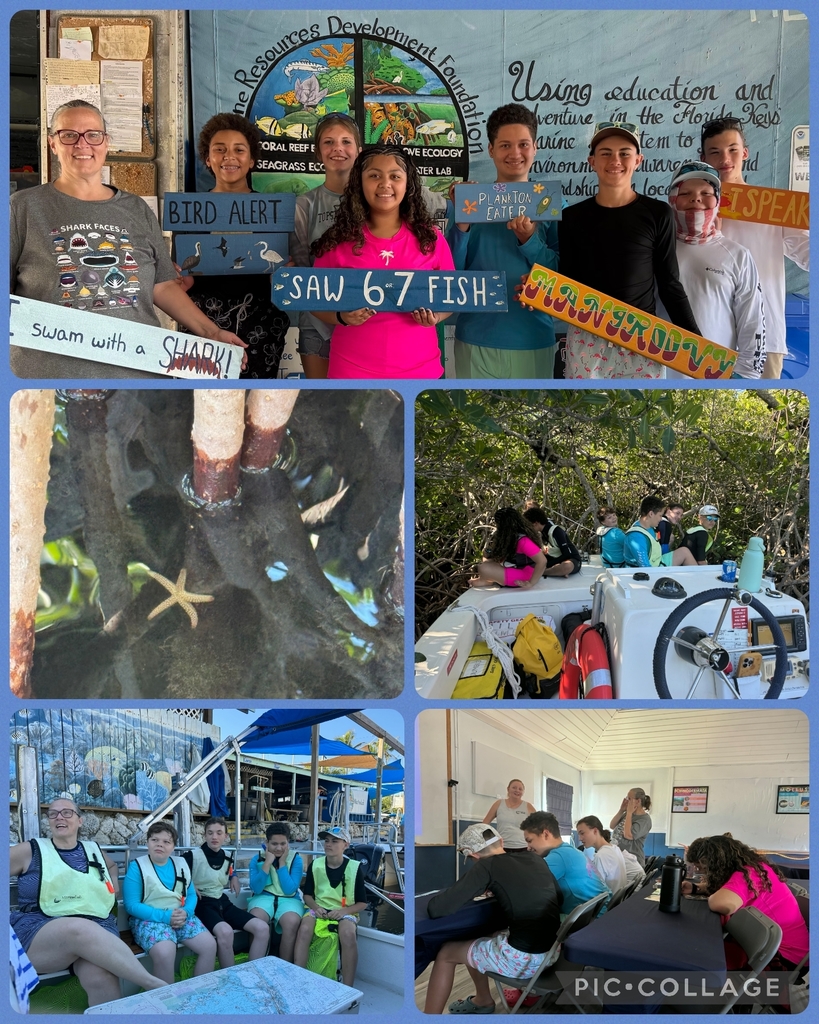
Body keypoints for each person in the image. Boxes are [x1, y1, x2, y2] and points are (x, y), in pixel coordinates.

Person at [10, 99, 246, 379]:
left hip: (138, 376)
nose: (82, 144)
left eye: (93, 135)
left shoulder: (136, 209)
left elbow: (163, 286)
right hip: (51, 379)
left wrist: (212, 332)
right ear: (52, 143)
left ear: (106, 142)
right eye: (68, 135)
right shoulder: (21, 207)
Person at [558, 121, 700, 378]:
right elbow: (567, 281)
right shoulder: (571, 217)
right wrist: (536, 287)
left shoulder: (658, 214)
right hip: (587, 337)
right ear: (592, 161)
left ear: (638, 160)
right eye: (605, 153)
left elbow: (669, 284)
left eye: (624, 153)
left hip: (643, 339)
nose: (615, 160)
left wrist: (697, 345)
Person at [310, 145, 455, 378]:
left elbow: (453, 297)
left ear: (407, 184)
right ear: (360, 182)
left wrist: (436, 316)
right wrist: (341, 317)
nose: (385, 184)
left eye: (395, 176)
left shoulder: (431, 239)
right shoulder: (336, 241)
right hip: (351, 371)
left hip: (421, 372)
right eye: (374, 175)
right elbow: (314, 302)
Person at [9, 798, 167, 1006]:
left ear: (80, 820)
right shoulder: (30, 850)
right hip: (41, 934)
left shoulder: (93, 850)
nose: (59, 817)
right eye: (53, 814)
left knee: (103, 979)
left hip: (98, 927)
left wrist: (113, 884)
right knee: (77, 927)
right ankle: (156, 986)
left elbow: (111, 866)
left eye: (66, 812)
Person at [448, 103, 560, 379]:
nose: (515, 154)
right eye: (505, 145)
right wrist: (462, 223)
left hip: (533, 337)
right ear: (491, 150)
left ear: (535, 147)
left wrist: (530, 239)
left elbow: (562, 276)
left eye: (523, 144)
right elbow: (449, 272)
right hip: (475, 338)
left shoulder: (552, 205)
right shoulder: (468, 203)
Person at [176, 113, 289, 378]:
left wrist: (285, 277)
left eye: (239, 150)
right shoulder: (189, 212)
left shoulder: (274, 213)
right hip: (203, 324)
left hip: (260, 325)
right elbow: (184, 276)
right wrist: (180, 280)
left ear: (251, 161)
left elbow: (282, 276)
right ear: (208, 159)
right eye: (220, 149)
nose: (229, 156)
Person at [700, 117, 809, 380]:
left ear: (745, 153)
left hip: (765, 338)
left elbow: (808, 257)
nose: (724, 158)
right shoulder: (689, 209)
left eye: (732, 150)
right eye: (715, 152)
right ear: (703, 157)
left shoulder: (773, 207)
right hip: (707, 339)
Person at [423, 823, 561, 1014]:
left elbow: (437, 908)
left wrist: (479, 884)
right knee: (480, 937)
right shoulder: (534, 858)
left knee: (446, 953)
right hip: (552, 953)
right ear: (501, 841)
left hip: (523, 960)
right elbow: (558, 897)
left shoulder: (486, 865)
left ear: (473, 855)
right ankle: (483, 1000)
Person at [662, 160, 765, 379]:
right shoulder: (654, 249)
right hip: (657, 374)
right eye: (685, 192)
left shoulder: (738, 255)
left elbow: (752, 319)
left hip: (713, 377)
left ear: (717, 199)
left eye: (706, 192)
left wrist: (746, 374)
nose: (696, 198)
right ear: (672, 199)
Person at [289, 113, 363, 378]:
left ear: (358, 150)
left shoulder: (379, 202)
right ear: (318, 153)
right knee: (324, 403)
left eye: (346, 142)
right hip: (317, 325)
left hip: (367, 322)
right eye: (329, 142)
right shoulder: (303, 206)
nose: (338, 149)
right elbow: (300, 267)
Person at [684, 835, 809, 971]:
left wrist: (711, 895)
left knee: (694, 949)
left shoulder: (748, 874)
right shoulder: (755, 868)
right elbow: (727, 888)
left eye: (702, 868)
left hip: (783, 957)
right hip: (777, 945)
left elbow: (721, 904)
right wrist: (696, 888)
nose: (701, 873)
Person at [123, 820, 216, 984]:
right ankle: (166, 1001)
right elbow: (131, 905)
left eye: (166, 842)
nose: (160, 845)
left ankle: (200, 990)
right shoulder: (137, 867)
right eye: (154, 840)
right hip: (149, 918)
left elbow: (192, 894)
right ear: (148, 842)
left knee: (209, 946)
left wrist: (186, 911)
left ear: (173, 846)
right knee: (165, 952)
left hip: (181, 915)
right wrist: (165, 917)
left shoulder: (181, 864)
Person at [182, 817, 269, 968]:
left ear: (226, 837)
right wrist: (189, 884)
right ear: (204, 836)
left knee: (262, 928)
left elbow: (228, 869)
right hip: (202, 903)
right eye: (210, 833)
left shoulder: (228, 856)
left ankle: (253, 972)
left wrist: (233, 876)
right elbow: (176, 872)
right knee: (226, 932)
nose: (214, 837)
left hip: (222, 901)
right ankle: (230, 977)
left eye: (219, 833)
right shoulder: (192, 856)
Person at [293, 825, 367, 988]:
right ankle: (298, 979)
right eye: (326, 841)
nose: (328, 844)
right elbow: (307, 896)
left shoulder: (355, 868)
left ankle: (348, 987)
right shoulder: (316, 865)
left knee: (348, 933)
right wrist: (316, 907)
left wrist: (343, 912)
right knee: (304, 928)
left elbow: (362, 903)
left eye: (334, 841)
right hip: (318, 908)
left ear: (345, 845)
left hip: (345, 911)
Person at [521, 811, 610, 915]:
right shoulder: (570, 850)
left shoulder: (558, 856)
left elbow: (525, 886)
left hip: (590, 920)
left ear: (545, 834)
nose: (528, 847)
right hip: (601, 912)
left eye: (530, 840)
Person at [247, 822, 305, 963]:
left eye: (283, 844)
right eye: (274, 844)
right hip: (263, 897)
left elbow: (290, 889)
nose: (279, 848)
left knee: (291, 922)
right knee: (255, 920)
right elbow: (256, 888)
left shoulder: (296, 859)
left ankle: (284, 966)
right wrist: (267, 864)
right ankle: (254, 966)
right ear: (267, 843)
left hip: (289, 899)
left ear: (288, 843)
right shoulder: (257, 859)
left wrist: (282, 863)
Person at [468, 506, 547, 589]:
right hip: (519, 569)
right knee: (486, 559)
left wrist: (531, 583)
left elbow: (542, 561)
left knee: (483, 568)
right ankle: (488, 580)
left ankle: (487, 581)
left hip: (527, 575)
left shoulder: (523, 541)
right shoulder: (513, 537)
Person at [624, 496, 698, 568]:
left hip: (657, 560)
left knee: (684, 551)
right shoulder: (636, 537)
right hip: (650, 569)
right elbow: (645, 567)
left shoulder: (648, 526)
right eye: (660, 515)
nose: (661, 519)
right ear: (651, 514)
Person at [522, 507, 582, 576]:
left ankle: (542, 572)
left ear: (535, 523)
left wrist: (547, 564)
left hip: (572, 560)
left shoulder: (556, 531)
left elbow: (566, 554)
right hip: (555, 558)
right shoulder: (543, 532)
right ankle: (554, 571)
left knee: (566, 567)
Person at [482, 779, 537, 854]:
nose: (517, 790)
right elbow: (484, 824)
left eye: (520, 789)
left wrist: (532, 843)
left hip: (523, 848)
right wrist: (492, 842)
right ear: (508, 789)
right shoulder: (498, 804)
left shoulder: (528, 806)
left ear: (523, 792)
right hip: (502, 848)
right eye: (514, 787)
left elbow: (538, 826)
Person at [575, 816, 628, 893]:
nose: (580, 838)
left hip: (609, 902)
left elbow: (596, 889)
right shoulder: (615, 849)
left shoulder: (601, 855)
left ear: (595, 831)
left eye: (582, 833)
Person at [609, 788, 652, 867]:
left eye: (629, 798)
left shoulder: (644, 819)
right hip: (619, 858)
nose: (626, 800)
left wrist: (629, 813)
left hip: (632, 862)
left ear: (638, 801)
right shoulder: (627, 814)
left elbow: (628, 835)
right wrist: (621, 810)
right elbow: (612, 825)